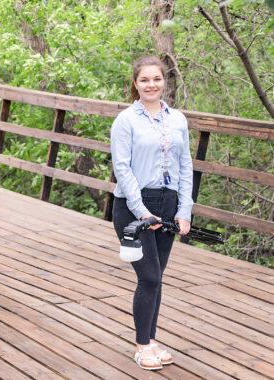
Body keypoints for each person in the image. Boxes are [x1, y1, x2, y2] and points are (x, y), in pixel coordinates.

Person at [111, 56, 193, 370]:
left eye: (156, 79)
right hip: (134, 207)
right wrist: (144, 213)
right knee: (148, 277)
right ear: (135, 84)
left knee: (157, 278)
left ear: (164, 81)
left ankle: (151, 340)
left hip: (169, 204)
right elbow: (122, 170)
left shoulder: (179, 120)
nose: (151, 85)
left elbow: (186, 167)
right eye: (144, 80)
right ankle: (142, 346)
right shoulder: (125, 121)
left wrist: (184, 211)